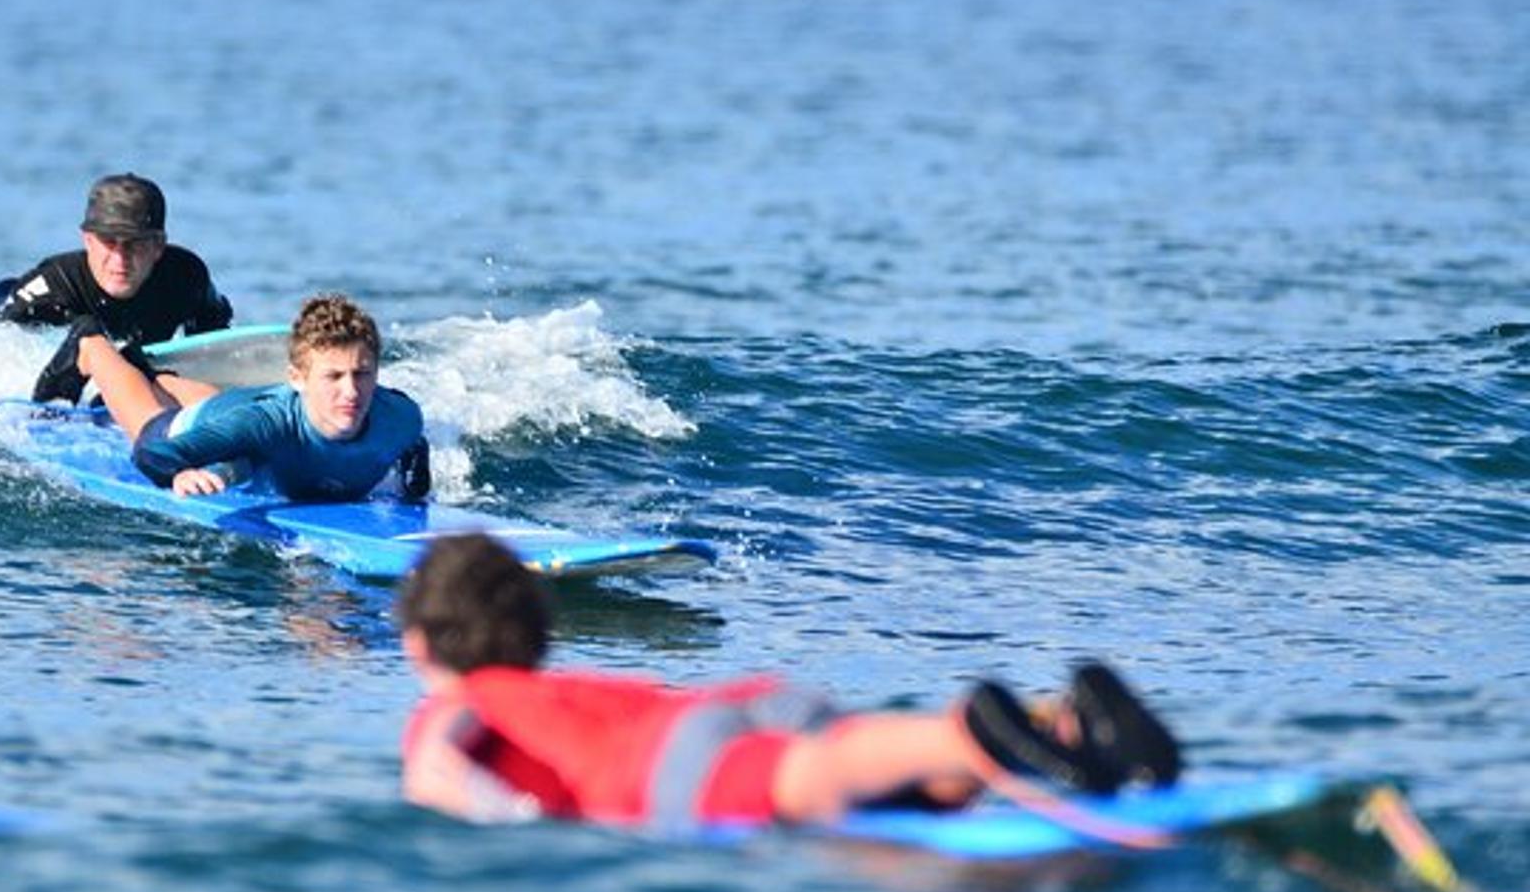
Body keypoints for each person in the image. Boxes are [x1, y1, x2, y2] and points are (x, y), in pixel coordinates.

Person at [396, 533, 1182, 827]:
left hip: (665, 765)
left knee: (811, 778)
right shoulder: (559, 687)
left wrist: (514, 819)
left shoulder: (462, 698)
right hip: (720, 706)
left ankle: (967, 731)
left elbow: (440, 762)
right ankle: (1060, 723)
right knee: (877, 781)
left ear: (419, 642)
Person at [0, 172, 233, 402]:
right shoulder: (56, 285)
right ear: (87, 240)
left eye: (135, 245)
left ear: (158, 246)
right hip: (0, 305)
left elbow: (214, 339)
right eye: (109, 242)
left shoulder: (186, 277)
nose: (120, 259)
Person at [75, 291, 431, 502]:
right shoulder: (264, 425)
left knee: (230, 413)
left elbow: (412, 446)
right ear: (297, 378)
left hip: (242, 409)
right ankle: (92, 346)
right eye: (333, 376)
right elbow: (152, 453)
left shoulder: (401, 416)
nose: (351, 391)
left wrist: (414, 492)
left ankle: (158, 376)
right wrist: (178, 475)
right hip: (204, 422)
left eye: (362, 374)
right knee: (148, 419)